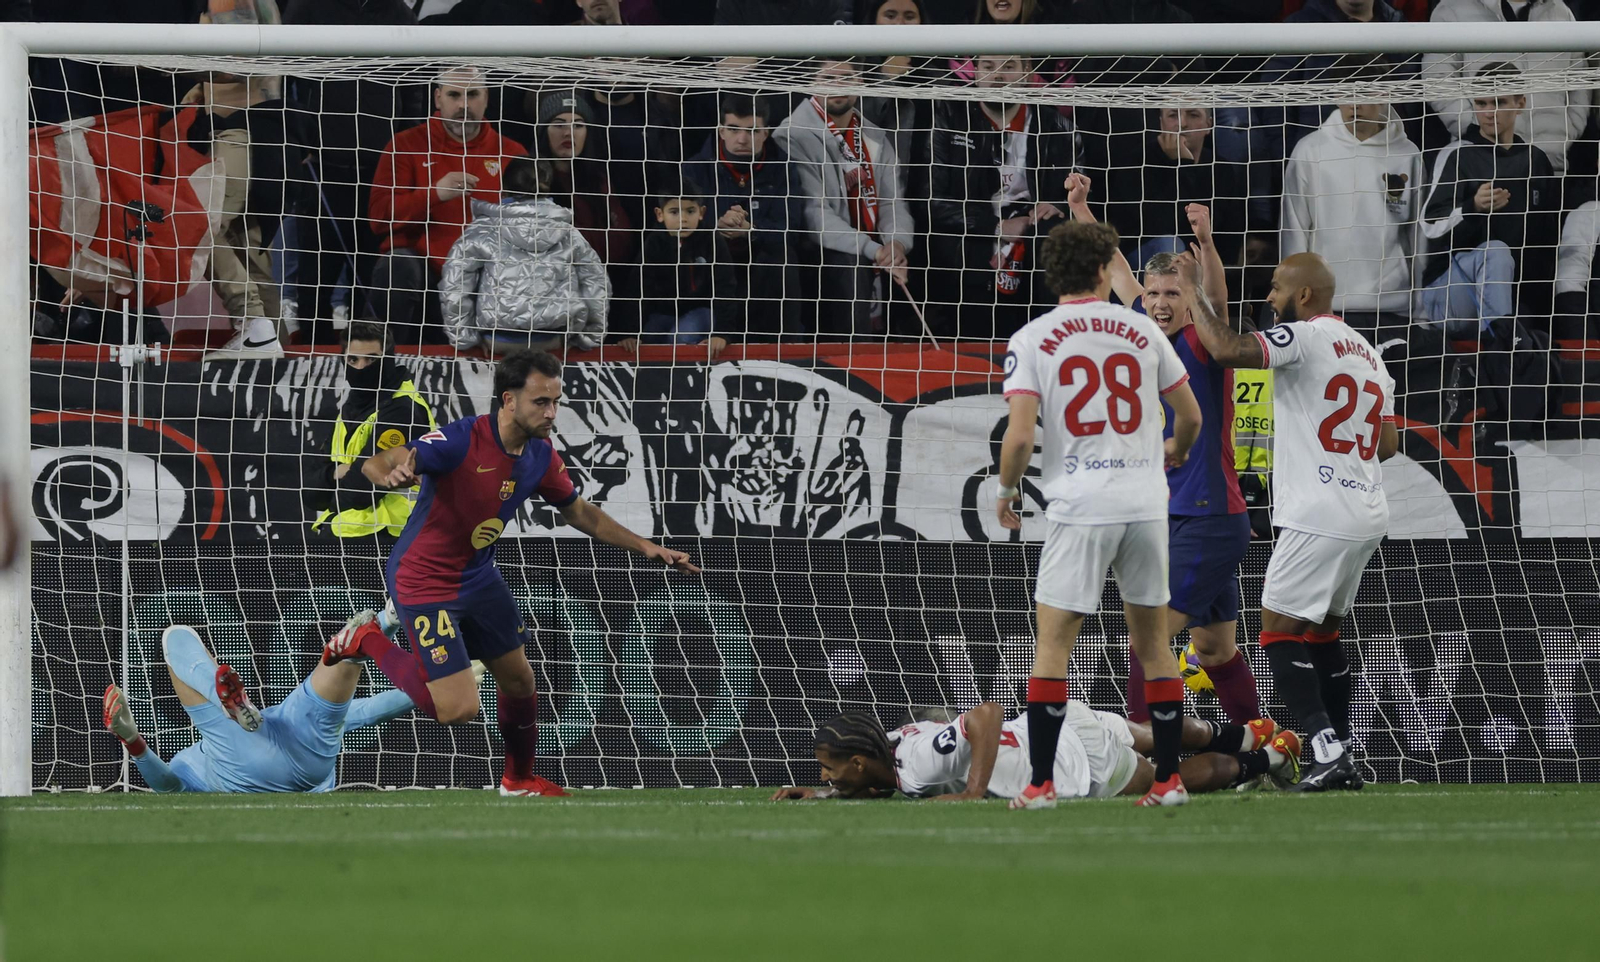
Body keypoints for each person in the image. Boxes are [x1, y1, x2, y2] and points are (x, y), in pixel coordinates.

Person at [334, 350, 702, 797]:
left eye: (555, 402)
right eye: (540, 403)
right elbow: (382, 460)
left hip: (478, 576)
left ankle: (518, 779)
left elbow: (580, 513)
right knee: (457, 710)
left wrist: (647, 547)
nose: (551, 413)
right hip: (423, 578)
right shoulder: (462, 439)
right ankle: (366, 637)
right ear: (509, 400)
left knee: (520, 679)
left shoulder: (541, 457)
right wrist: (389, 475)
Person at [995, 219, 1203, 809]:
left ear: (1051, 273)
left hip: (1080, 505)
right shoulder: (1142, 331)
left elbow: (1018, 436)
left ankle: (1039, 785)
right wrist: (1176, 451)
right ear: (1099, 270)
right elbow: (1188, 416)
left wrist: (1006, 490)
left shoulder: (1034, 337)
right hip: (1144, 503)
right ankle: (1168, 782)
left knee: (1054, 645)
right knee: (1155, 648)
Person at [1175, 249, 1400, 792]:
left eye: (1276, 289)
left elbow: (1226, 348)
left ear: (1304, 295)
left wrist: (1191, 290)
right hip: (1366, 509)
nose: (1269, 300)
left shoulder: (1304, 336)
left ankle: (1323, 747)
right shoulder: (1371, 356)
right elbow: (1389, 444)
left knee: (1276, 632)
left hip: (1318, 510)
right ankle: (1340, 755)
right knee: (1322, 633)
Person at [1065, 178, 1269, 729]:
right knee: (1215, 648)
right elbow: (1115, 270)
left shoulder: (1203, 341)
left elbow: (1220, 303)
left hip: (1207, 515)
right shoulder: (1144, 330)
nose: (1157, 302)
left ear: (1189, 301)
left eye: (1172, 295)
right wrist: (1082, 208)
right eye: (1153, 294)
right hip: (1174, 514)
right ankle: (1270, 747)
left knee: (1150, 635)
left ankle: (1142, 744)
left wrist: (1206, 253)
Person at [102, 618, 418, 792]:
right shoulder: (277, 718)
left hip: (259, 771)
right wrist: (428, 692)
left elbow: (169, 789)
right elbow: (367, 712)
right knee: (176, 635)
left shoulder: (189, 764)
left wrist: (132, 740)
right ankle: (387, 622)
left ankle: (224, 703)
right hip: (306, 759)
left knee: (176, 638)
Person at [769, 702, 1300, 802]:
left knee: (1168, 777)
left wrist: (973, 793)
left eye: (829, 768)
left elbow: (984, 714)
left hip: (1069, 762)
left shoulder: (923, 759)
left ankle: (1268, 759)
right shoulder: (891, 745)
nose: (826, 774)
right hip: (1053, 723)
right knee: (1142, 729)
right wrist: (817, 791)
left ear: (859, 763)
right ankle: (1242, 734)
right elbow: (873, 783)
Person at [368, 66, 528, 344]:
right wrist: (434, 194)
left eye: (472, 95)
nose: (464, 105)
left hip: (490, 281)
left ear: (487, 98)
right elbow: (378, 218)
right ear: (437, 98)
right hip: (426, 277)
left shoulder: (512, 152)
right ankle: (388, 366)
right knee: (397, 265)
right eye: (454, 95)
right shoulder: (404, 145)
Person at [929, 53, 1075, 340]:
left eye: (1008, 67)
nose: (997, 76)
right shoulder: (949, 117)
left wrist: (1057, 205)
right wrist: (995, 228)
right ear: (974, 72)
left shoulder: (1055, 124)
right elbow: (931, 201)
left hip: (1033, 238)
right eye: (988, 66)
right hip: (970, 240)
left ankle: (1049, 344)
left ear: (1027, 71)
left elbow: (1082, 191)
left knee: (1054, 234)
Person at [774, 57, 916, 336]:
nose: (838, 86)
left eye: (847, 78)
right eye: (828, 79)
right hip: (815, 252)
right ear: (811, 84)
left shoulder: (874, 134)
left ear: (860, 84)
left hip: (870, 247)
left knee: (917, 253)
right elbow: (814, 215)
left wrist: (896, 245)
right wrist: (873, 249)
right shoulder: (792, 134)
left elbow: (891, 202)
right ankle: (855, 361)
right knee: (849, 264)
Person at [1420, 65, 1560, 335]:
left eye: (1499, 102)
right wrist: (1472, 208)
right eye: (1481, 103)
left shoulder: (1537, 160)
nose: (1488, 112)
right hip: (1451, 293)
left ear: (1520, 104)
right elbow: (1430, 229)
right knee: (1494, 250)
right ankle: (1506, 350)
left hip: (1516, 301)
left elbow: (1546, 244)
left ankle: (1510, 340)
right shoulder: (1457, 155)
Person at [1282, 100, 1423, 350]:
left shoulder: (1406, 153)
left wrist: (1421, 305)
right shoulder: (1310, 150)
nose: (1354, 106)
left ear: (1383, 95)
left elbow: (1417, 236)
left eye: (1364, 95)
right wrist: (1294, 303)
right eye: (1347, 96)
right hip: (1325, 308)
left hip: (1393, 307)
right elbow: (1294, 229)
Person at [439, 155, 610, 355]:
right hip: (554, 339)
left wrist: (464, 338)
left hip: (497, 339)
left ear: (504, 187)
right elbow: (596, 282)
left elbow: (455, 282)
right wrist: (589, 337)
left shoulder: (483, 229)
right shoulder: (570, 233)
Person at [682, 93, 803, 337]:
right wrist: (715, 225)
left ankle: (786, 346)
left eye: (753, 131)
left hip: (764, 273)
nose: (742, 138)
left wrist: (752, 231)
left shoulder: (783, 169)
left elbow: (792, 227)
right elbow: (678, 227)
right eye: (734, 129)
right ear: (721, 131)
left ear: (766, 133)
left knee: (782, 257)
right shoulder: (693, 170)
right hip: (710, 271)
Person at [1422, 0, 1589, 174]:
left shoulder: (1560, 12)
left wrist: (1567, 130)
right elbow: (1438, 78)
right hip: (1481, 162)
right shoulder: (1453, 9)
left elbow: (1579, 80)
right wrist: (1477, 128)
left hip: (1551, 163)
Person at [308, 321, 437, 537]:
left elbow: (363, 489)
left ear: (388, 358)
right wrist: (335, 473)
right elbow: (311, 492)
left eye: (371, 359)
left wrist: (336, 483)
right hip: (350, 529)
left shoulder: (402, 408)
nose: (360, 368)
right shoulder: (351, 407)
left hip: (395, 532)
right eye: (353, 359)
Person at [626, 180, 740, 357]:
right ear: (660, 214)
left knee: (681, 337)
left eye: (690, 211)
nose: (683, 219)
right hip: (664, 312)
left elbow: (725, 287)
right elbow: (638, 288)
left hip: (702, 311)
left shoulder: (711, 240)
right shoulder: (654, 242)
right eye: (674, 212)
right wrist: (630, 332)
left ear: (701, 213)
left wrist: (722, 332)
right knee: (649, 338)